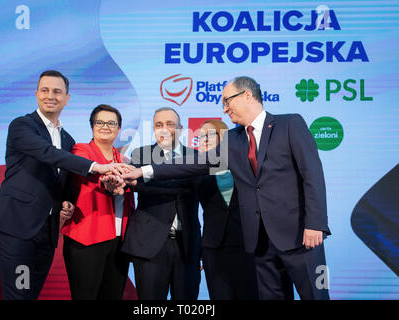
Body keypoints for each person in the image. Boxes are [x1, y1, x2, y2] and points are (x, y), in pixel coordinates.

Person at [122, 76, 331, 300]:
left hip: (301, 236)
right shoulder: (232, 139)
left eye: (227, 101)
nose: (225, 109)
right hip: (259, 242)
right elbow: (193, 163)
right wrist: (142, 171)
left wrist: (315, 224)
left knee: (316, 295)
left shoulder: (289, 124)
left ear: (247, 95)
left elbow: (313, 175)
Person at [0, 70, 131, 300]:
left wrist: (66, 202)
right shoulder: (22, 126)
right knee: (19, 292)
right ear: (36, 94)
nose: (50, 96)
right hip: (18, 228)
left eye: (57, 91)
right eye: (45, 90)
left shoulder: (67, 140)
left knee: (30, 293)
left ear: (67, 98)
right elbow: (47, 154)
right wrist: (96, 166)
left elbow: (62, 180)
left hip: (46, 231)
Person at [119, 107, 201, 300]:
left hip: (187, 245)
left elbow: (195, 190)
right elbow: (138, 187)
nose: (164, 129)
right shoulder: (141, 154)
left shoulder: (197, 157)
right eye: (159, 125)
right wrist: (181, 183)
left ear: (180, 129)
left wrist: (149, 180)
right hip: (149, 245)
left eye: (170, 124)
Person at [60, 104, 135, 300]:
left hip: (120, 240)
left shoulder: (124, 159)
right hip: (87, 237)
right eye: (100, 122)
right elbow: (92, 171)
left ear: (119, 129)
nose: (105, 126)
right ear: (92, 126)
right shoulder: (81, 150)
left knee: (113, 295)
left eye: (112, 123)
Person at [196, 119, 258, 300]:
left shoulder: (244, 162)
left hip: (247, 243)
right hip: (214, 246)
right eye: (200, 137)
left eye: (209, 135)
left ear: (224, 137)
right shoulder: (195, 169)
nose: (204, 139)